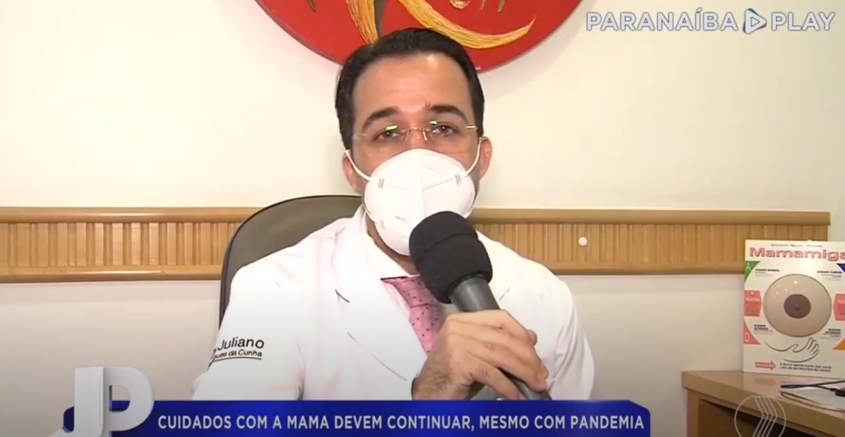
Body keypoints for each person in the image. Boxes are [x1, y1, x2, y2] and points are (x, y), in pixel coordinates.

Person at [192, 28, 594, 401]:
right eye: (387, 133)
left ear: (482, 156)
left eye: (444, 128)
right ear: (352, 170)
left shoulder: (544, 297)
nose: (417, 154)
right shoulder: (273, 291)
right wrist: (425, 404)